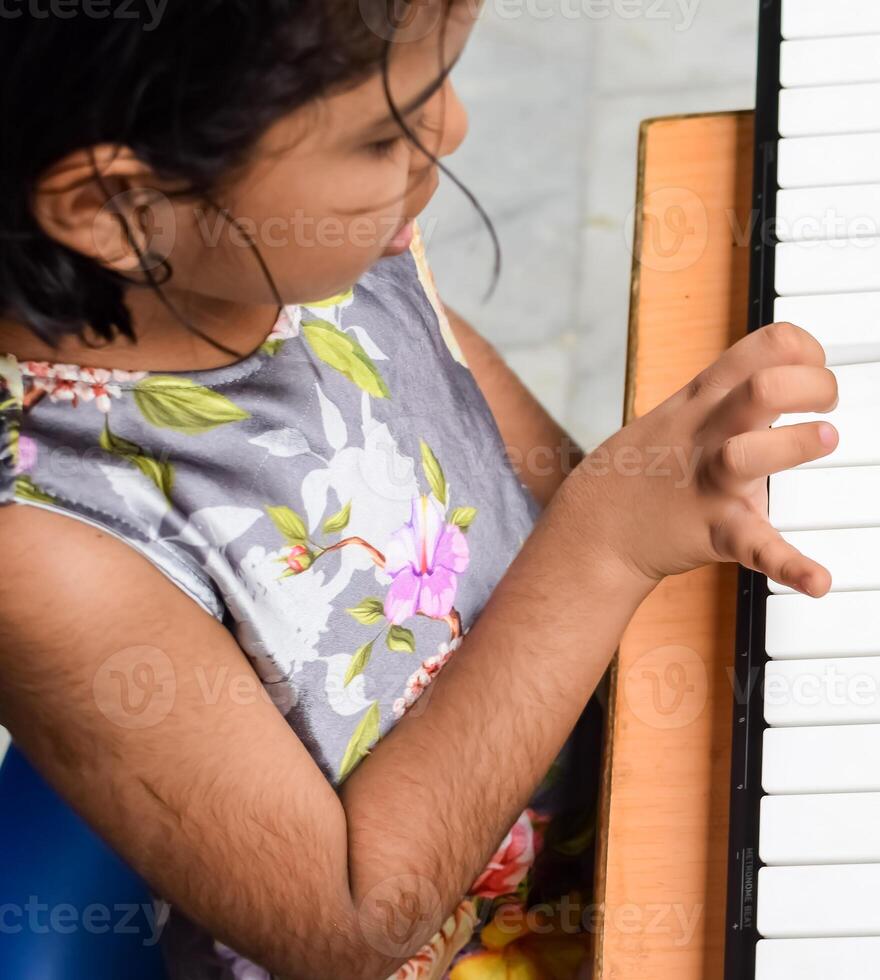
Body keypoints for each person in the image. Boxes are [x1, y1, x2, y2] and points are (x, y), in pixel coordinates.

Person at [0, 3, 837, 977]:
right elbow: (356, 920)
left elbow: (547, 491)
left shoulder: (299, 253)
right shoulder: (46, 551)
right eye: (382, 131)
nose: (452, 129)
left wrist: (672, 491)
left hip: (634, 792)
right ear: (119, 208)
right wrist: (604, 544)